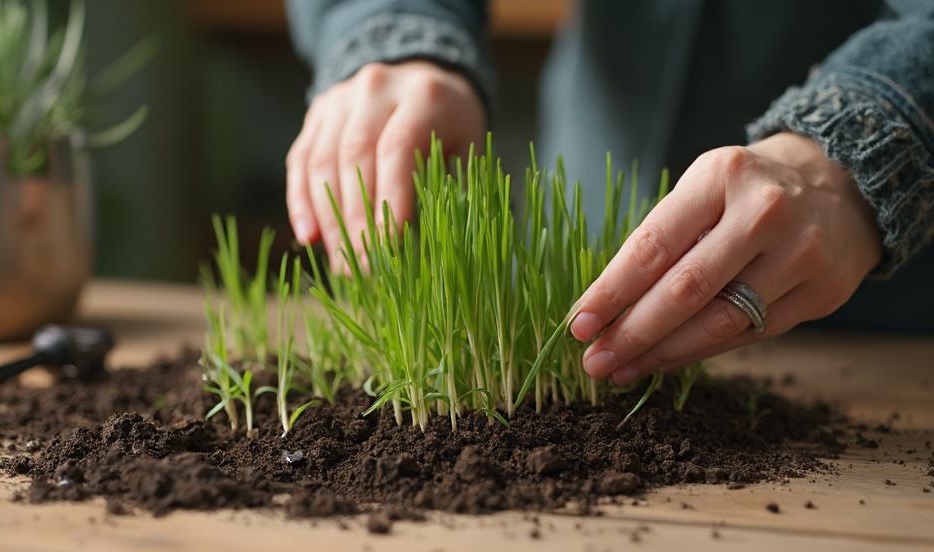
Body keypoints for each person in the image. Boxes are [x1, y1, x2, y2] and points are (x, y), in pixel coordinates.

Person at [284, 0, 934, 385]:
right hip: (595, 170)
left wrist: (876, 129)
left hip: (887, 312)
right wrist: (398, 29)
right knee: (569, 322)